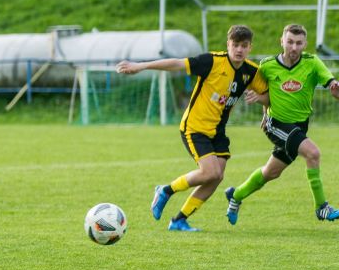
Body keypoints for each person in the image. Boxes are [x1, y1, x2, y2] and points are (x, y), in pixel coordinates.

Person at [116, 25, 268, 231]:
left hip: (218, 131)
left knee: (217, 177)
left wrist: (262, 103)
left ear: (250, 47)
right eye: (235, 45)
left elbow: (268, 94)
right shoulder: (212, 61)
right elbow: (177, 64)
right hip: (195, 127)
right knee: (209, 172)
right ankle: (166, 190)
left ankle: (179, 220)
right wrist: (141, 66)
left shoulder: (251, 71)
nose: (239, 50)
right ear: (228, 44)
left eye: (244, 45)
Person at [225, 24, 339, 224]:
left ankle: (236, 196)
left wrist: (334, 88)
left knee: (271, 172)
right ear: (282, 41)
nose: (294, 47)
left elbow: (331, 83)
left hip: (299, 126)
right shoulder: (267, 66)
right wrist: (262, 107)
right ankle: (321, 207)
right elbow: (263, 93)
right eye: (290, 42)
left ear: (305, 44)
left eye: (298, 43)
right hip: (276, 124)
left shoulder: (312, 63)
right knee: (313, 153)